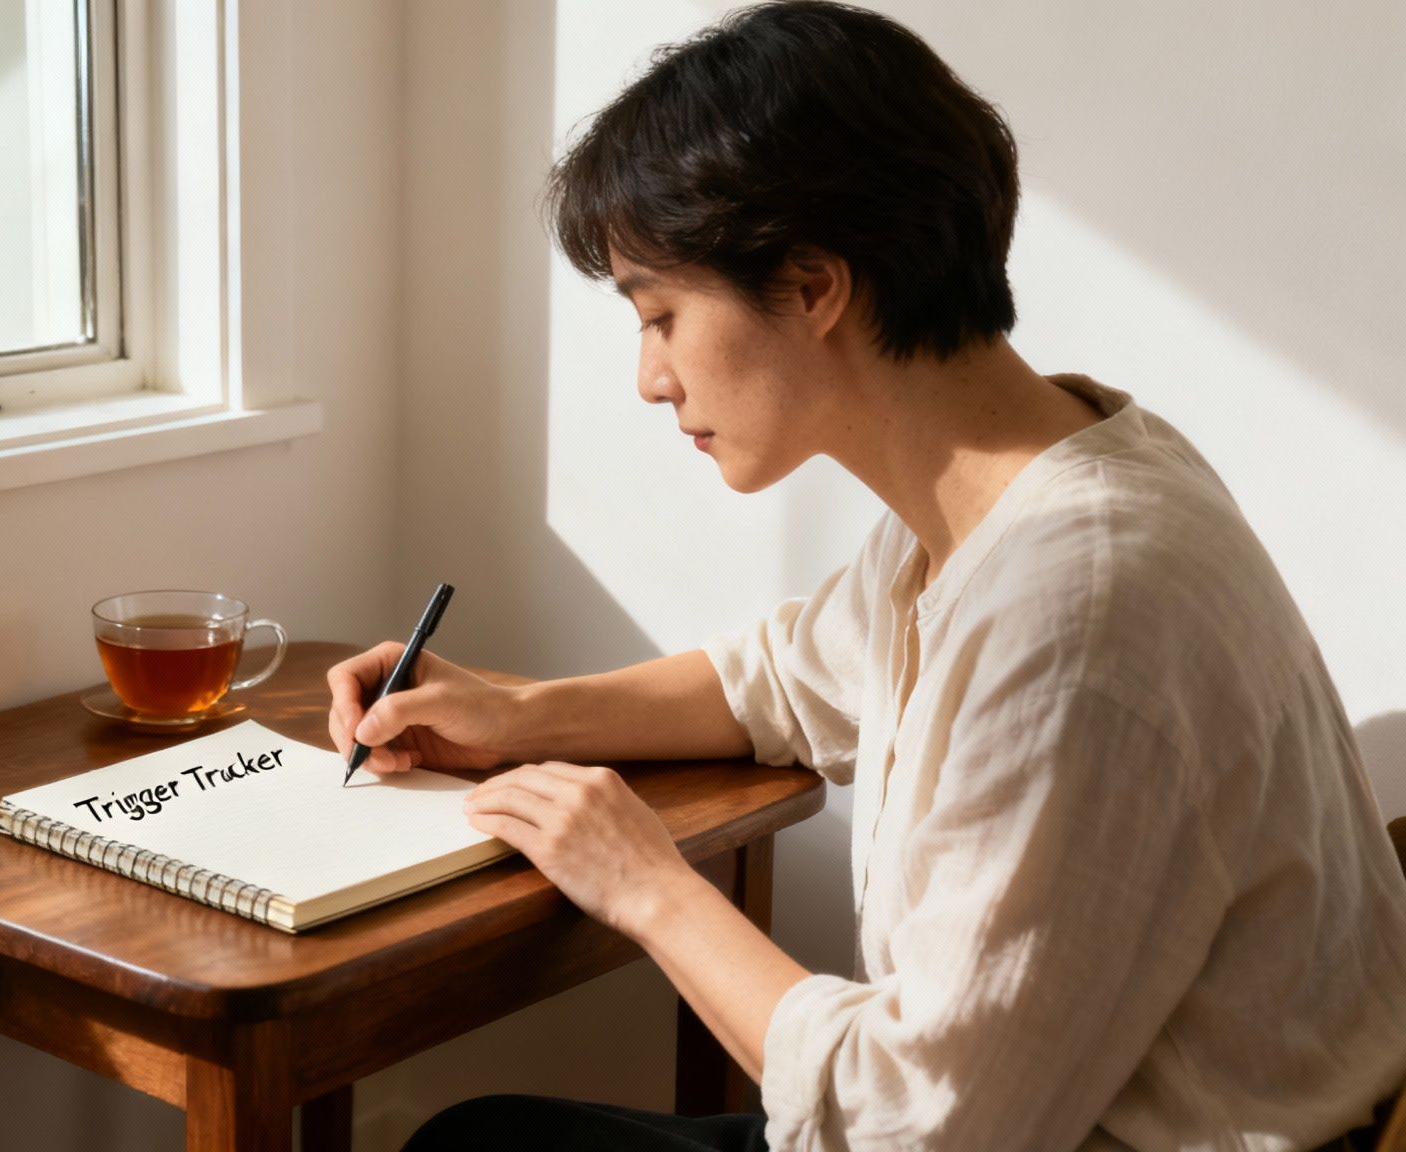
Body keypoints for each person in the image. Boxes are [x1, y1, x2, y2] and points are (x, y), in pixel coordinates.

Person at [327, 4, 1406, 1150]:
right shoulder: (1010, 481)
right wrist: (514, 716)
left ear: (811, 286)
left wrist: (645, 884)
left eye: (661, 316)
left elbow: (920, 1128)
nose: (649, 378)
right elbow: (787, 678)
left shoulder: (1077, 608)